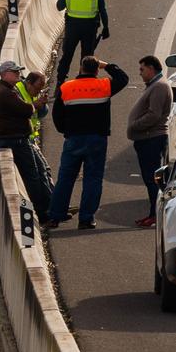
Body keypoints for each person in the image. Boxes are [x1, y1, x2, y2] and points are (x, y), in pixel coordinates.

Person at [47, 55, 130, 231]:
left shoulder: (67, 87)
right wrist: (107, 65)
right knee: (93, 178)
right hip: (96, 139)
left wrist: (66, 131)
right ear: (96, 70)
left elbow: (57, 115)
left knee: (65, 178)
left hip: (73, 138)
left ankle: (55, 216)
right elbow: (123, 78)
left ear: (81, 68)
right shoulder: (104, 86)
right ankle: (86, 219)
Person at [0, 61, 55, 221]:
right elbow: (25, 110)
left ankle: (48, 206)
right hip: (16, 141)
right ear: (4, 74)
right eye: (15, 72)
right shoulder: (6, 93)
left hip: (18, 139)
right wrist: (36, 104)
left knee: (38, 172)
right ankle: (41, 212)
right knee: (31, 176)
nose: (18, 75)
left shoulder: (8, 90)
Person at [127, 55, 172, 228]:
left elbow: (154, 114)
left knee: (152, 178)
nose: (140, 73)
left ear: (151, 68)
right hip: (146, 138)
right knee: (149, 178)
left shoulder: (159, 86)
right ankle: (152, 213)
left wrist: (135, 125)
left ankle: (156, 215)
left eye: (142, 69)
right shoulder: (154, 85)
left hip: (151, 138)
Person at [57, 0, 110, 80]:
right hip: (90, 28)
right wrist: (106, 27)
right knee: (87, 57)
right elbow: (102, 9)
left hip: (72, 27)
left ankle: (60, 81)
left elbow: (59, 6)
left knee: (67, 55)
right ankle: (84, 80)